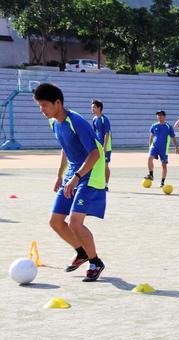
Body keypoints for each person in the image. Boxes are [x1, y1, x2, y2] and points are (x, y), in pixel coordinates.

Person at [33, 83, 106, 282]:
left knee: (75, 223)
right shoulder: (54, 122)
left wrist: (76, 177)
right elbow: (66, 147)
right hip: (74, 173)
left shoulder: (77, 121)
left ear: (58, 103)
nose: (42, 110)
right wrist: (60, 175)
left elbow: (94, 154)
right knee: (56, 222)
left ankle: (95, 262)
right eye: (39, 106)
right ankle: (81, 253)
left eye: (45, 105)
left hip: (90, 172)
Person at [144, 111, 179, 187]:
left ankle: (162, 182)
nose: (159, 117)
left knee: (164, 165)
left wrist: (176, 147)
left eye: (161, 115)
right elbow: (151, 136)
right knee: (149, 158)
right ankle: (151, 174)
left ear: (164, 116)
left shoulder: (168, 126)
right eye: (158, 115)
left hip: (164, 149)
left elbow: (173, 137)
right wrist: (150, 145)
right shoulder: (154, 125)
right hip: (155, 146)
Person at [91, 99, 112, 190]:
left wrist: (104, 146)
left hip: (106, 146)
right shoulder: (94, 119)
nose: (92, 109)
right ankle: (97, 183)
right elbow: (94, 133)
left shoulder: (104, 119)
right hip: (98, 145)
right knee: (95, 164)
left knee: (105, 165)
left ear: (99, 108)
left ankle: (106, 184)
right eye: (92, 107)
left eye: (94, 107)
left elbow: (107, 133)